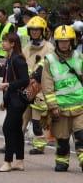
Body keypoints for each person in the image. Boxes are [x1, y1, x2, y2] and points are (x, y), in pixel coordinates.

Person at [33, 25, 83, 172]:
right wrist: (53, 106)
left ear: (72, 41)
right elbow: (47, 86)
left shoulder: (79, 57)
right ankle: (62, 160)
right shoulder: (49, 60)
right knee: (62, 138)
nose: (64, 44)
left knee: (81, 135)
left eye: (66, 41)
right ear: (56, 42)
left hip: (80, 105)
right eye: (61, 41)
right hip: (60, 108)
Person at [0, 29, 31, 172]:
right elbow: (8, 81)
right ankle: (20, 161)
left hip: (18, 100)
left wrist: (8, 85)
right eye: (3, 41)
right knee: (16, 129)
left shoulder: (18, 59)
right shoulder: (9, 59)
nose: (3, 43)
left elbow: (25, 80)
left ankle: (8, 161)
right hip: (11, 99)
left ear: (13, 44)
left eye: (5, 41)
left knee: (8, 128)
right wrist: (4, 100)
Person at [21, 15, 55, 159]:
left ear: (42, 31)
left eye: (37, 30)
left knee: (37, 121)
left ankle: (39, 146)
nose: (34, 32)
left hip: (41, 89)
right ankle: (13, 143)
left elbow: (50, 66)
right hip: (27, 87)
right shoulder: (26, 47)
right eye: (32, 30)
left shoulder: (49, 47)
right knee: (22, 118)